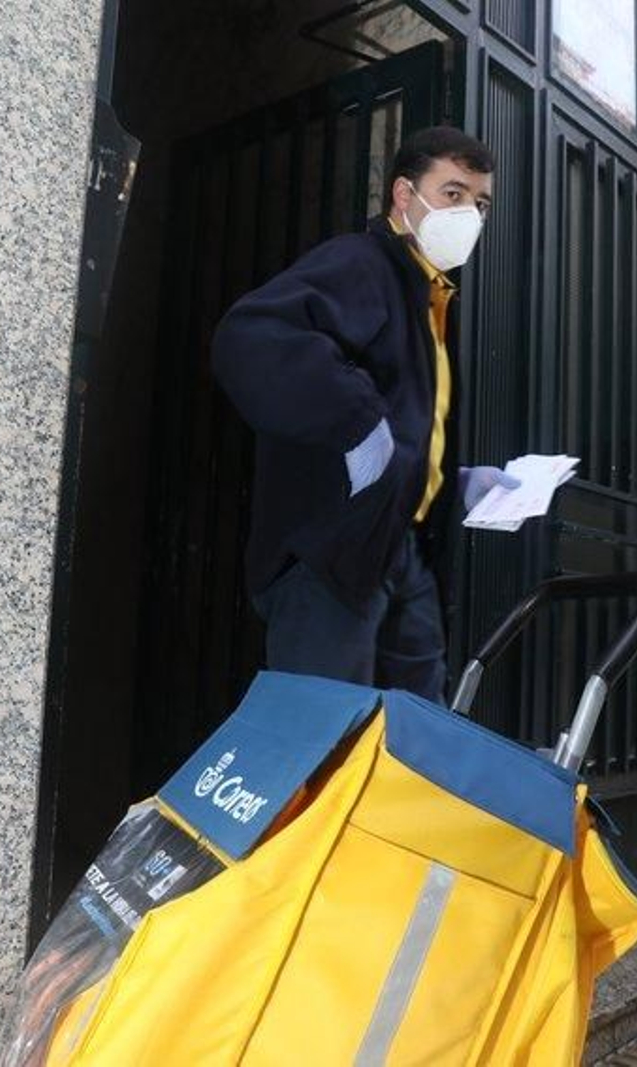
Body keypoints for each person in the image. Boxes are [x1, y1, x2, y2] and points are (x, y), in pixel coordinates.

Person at [211, 125, 516, 704]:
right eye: (453, 194)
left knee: (413, 738)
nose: (471, 214)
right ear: (405, 195)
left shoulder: (432, 300)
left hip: (405, 555)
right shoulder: (363, 263)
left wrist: (455, 484)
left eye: (480, 203)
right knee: (323, 741)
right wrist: (358, 423)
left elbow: (408, 428)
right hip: (334, 557)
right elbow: (254, 335)